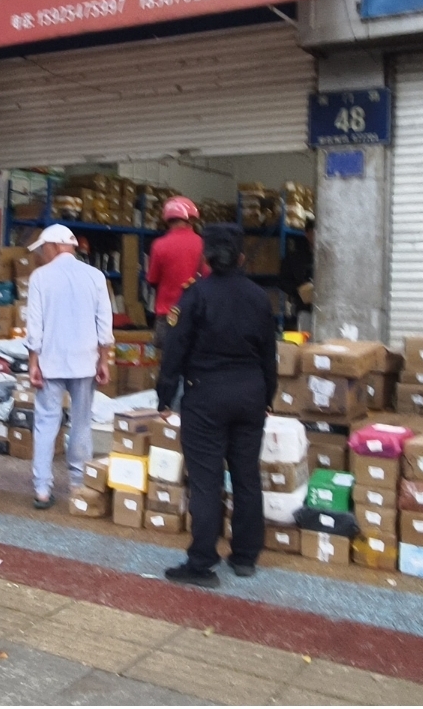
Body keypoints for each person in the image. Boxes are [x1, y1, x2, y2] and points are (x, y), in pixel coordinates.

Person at [155, 223, 277, 589]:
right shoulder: (260, 297)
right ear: (241, 257)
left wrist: (164, 396)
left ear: (205, 258)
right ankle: (245, 557)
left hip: (205, 395)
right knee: (246, 476)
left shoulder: (195, 296)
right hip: (250, 394)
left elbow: (174, 350)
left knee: (206, 481)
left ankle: (202, 562)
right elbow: (269, 355)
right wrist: (268, 397)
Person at [24, 223, 114, 509]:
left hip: (50, 361)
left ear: (53, 246)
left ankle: (42, 489)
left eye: (43, 249)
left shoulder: (40, 277)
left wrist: (33, 361)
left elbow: (34, 325)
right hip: (85, 361)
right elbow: (105, 324)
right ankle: (78, 483)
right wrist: (103, 360)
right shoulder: (95, 276)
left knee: (46, 423)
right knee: (82, 422)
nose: (41, 255)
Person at [146, 198, 207, 348]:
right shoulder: (202, 244)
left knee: (166, 359)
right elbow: (207, 277)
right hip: (195, 315)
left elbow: (152, 279)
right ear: (190, 219)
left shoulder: (159, 245)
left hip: (167, 316)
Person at [278, 220, 315, 332]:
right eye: (314, 232)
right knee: (305, 338)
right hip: (305, 309)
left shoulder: (329, 256)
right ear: (307, 234)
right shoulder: (295, 257)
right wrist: (299, 290)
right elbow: (283, 281)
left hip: (327, 309)